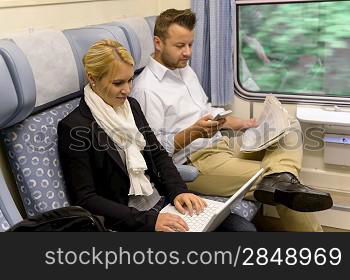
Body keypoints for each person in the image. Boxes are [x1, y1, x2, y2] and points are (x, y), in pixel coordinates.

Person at [131, 9, 333, 232]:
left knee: (289, 127)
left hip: (221, 144)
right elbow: (154, 152)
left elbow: (205, 111)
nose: (187, 52)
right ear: (158, 43)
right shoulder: (147, 91)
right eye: (180, 46)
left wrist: (243, 124)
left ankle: (281, 176)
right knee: (285, 191)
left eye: (190, 45)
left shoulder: (184, 69)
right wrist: (195, 133)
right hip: (195, 162)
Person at [57, 39, 256, 232]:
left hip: (161, 200)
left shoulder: (131, 107)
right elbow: (86, 199)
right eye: (118, 83)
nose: (127, 90)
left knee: (243, 229)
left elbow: (158, 154)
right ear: (92, 78)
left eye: (130, 80)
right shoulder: (74, 127)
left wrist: (179, 191)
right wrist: (151, 221)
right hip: (128, 219)